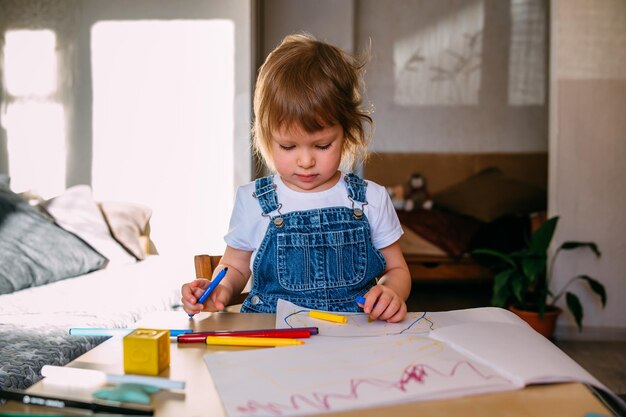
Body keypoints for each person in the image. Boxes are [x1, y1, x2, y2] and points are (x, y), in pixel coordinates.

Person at [181, 33, 411, 322]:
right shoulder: (253, 200)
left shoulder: (370, 199)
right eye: (288, 147)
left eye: (322, 145)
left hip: (352, 342)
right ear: (266, 137)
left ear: (348, 132)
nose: (305, 161)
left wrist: (391, 292)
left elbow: (397, 271)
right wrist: (220, 289)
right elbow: (236, 268)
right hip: (273, 340)